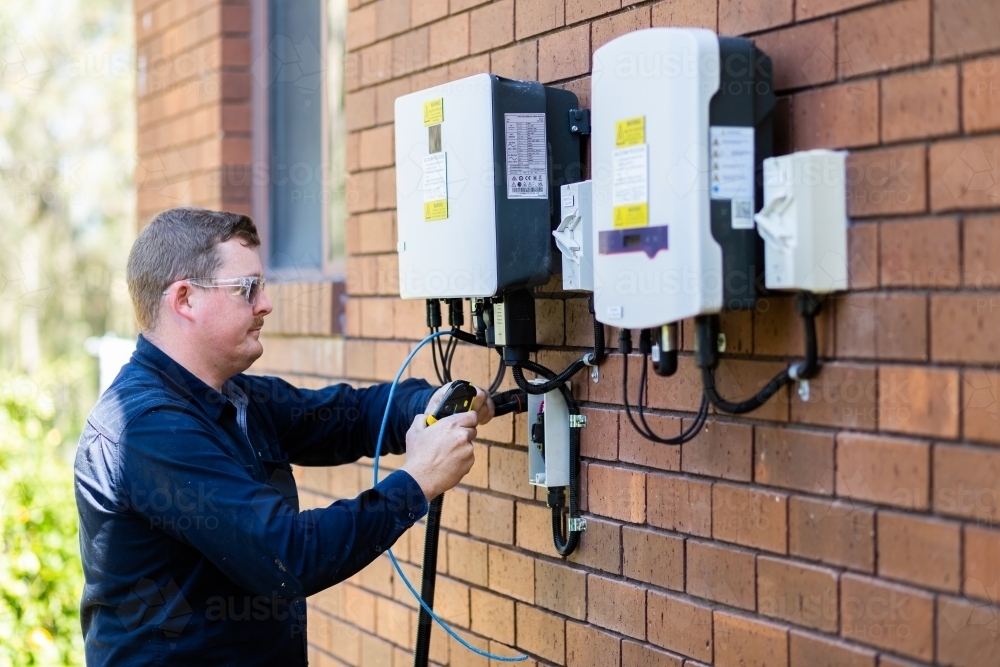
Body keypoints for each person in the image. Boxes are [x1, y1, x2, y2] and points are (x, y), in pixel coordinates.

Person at [74, 207, 492, 665]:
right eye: (247, 289)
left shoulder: (232, 397)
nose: (265, 304)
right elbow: (288, 555)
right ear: (185, 300)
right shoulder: (148, 428)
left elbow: (349, 416)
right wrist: (417, 481)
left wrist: (434, 401)